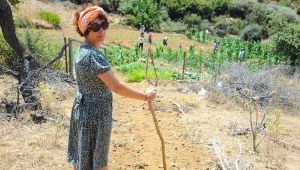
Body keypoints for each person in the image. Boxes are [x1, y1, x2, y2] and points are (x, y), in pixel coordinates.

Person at [68, 6, 156, 170]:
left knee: (83, 156)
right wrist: (145, 96)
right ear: (86, 30)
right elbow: (117, 86)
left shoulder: (83, 50)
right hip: (97, 113)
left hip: (84, 109)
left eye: (104, 25)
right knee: (99, 160)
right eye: (95, 27)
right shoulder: (93, 56)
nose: (101, 30)